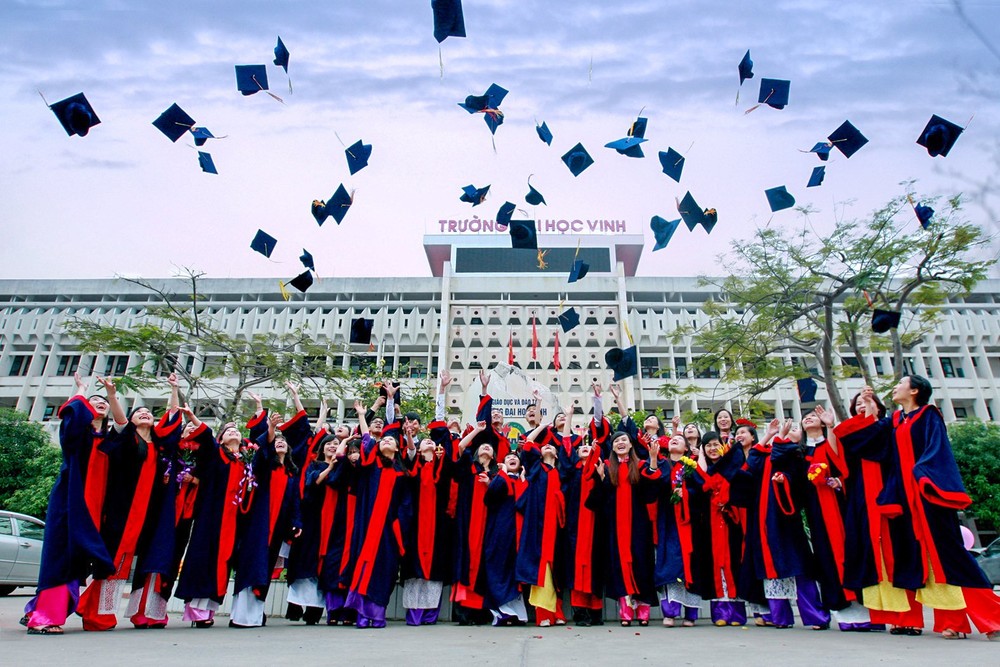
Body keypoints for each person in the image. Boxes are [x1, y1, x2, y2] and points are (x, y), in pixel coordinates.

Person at [835, 377, 1000, 641]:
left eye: (900, 383)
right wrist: (870, 412)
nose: (895, 387)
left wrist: (922, 477)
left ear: (914, 390)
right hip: (903, 503)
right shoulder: (896, 421)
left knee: (948, 558)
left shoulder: (928, 415)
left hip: (926, 497)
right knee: (916, 562)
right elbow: (863, 442)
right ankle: (950, 622)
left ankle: (992, 619)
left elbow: (937, 451)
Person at [77, 377, 180, 631]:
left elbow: (173, 415)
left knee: (126, 563)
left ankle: (103, 611)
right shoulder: (128, 441)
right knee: (114, 560)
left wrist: (175, 389)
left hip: (146, 513)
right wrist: (112, 395)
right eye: (140, 412)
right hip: (121, 510)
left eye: (148, 413)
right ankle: (98, 614)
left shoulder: (159, 446)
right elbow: (120, 422)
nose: (145, 414)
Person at [23, 373, 117, 635]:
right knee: (61, 560)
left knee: (77, 564)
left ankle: (36, 609)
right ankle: (43, 618)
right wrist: (81, 391)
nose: (99, 403)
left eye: (104, 402)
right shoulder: (78, 438)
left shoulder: (109, 443)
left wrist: (110, 395)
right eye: (93, 401)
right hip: (70, 505)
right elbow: (73, 420)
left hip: (96, 513)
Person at [729, 419, 830, 630]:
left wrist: (785, 477)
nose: (785, 432)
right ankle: (780, 617)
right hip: (763, 519)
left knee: (798, 567)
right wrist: (768, 436)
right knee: (770, 567)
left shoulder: (796, 455)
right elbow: (749, 467)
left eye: (793, 430)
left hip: (786, 518)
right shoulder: (766, 454)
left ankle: (815, 616)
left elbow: (797, 478)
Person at [343, 401, 412, 628]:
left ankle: (377, 613)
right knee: (363, 565)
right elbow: (366, 441)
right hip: (367, 524)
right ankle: (362, 614)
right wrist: (363, 415)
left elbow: (405, 505)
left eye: (391, 439)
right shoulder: (371, 466)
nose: (387, 440)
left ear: (397, 448)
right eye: (384, 439)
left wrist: (398, 526)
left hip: (388, 530)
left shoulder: (402, 475)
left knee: (384, 569)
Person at [587, 428, 657, 626]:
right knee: (619, 566)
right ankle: (625, 611)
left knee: (641, 564)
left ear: (631, 444)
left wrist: (652, 461)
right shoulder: (608, 467)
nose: (620, 443)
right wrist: (600, 480)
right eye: (616, 440)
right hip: (615, 527)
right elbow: (596, 503)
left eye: (624, 439)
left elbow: (651, 495)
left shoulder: (641, 465)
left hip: (638, 526)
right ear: (612, 446)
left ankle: (643, 610)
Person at [691, 431, 748, 626]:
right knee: (714, 564)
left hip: (731, 520)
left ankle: (738, 614)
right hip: (709, 524)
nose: (712, 449)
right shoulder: (700, 471)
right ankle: (720, 614)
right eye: (708, 446)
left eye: (715, 444)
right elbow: (698, 493)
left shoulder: (732, 468)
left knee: (733, 562)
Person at [650, 435, 703, 627]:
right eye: (672, 439)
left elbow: (703, 490)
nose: (674, 440)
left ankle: (690, 614)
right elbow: (652, 487)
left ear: (687, 447)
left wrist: (686, 494)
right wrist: (654, 460)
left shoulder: (692, 466)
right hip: (668, 521)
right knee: (669, 564)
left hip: (688, 523)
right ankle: (670, 612)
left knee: (690, 564)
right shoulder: (662, 464)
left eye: (679, 439)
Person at [450, 419, 498, 625]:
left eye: (490, 447)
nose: (486, 447)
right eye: (482, 446)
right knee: (467, 560)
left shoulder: (498, 473)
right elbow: (461, 447)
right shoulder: (469, 465)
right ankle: (463, 610)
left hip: (489, 524)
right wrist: (477, 431)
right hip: (468, 521)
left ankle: (481, 610)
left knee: (485, 563)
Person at [483, 448, 528, 625]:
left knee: (512, 571)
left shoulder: (524, 482)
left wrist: (523, 480)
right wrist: (502, 473)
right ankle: (502, 611)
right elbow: (490, 497)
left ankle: (515, 614)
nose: (511, 459)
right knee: (497, 567)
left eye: (514, 458)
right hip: (499, 531)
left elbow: (525, 504)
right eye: (507, 458)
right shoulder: (499, 479)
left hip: (518, 535)